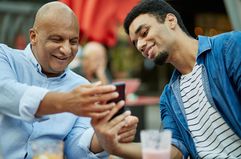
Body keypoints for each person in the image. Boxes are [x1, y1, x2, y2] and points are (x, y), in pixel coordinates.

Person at [92, 0, 241, 158]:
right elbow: (173, 151)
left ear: (171, 21)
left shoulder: (229, 47)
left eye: (144, 33)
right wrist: (116, 147)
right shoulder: (168, 97)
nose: (140, 45)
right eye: (135, 43)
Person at [0, 2, 138, 159]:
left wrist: (103, 138)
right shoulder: (5, 57)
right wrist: (65, 102)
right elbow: (6, 93)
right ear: (33, 36)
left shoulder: (81, 86)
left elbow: (75, 147)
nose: (66, 50)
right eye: (57, 39)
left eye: (73, 42)